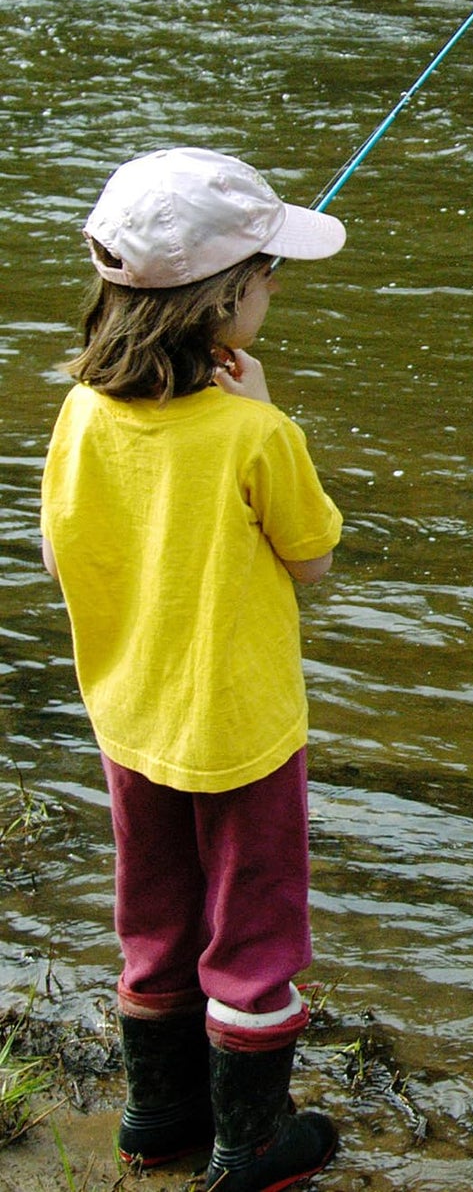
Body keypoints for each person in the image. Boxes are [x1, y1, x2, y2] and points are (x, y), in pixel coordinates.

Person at [39, 147, 347, 1188]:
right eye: (267, 275)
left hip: (129, 719)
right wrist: (266, 411)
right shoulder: (256, 430)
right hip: (244, 730)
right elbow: (313, 558)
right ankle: (252, 1142)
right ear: (225, 303)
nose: (272, 289)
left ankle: (156, 1115)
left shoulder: (80, 409)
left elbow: (56, 551)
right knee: (253, 938)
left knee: (155, 913)